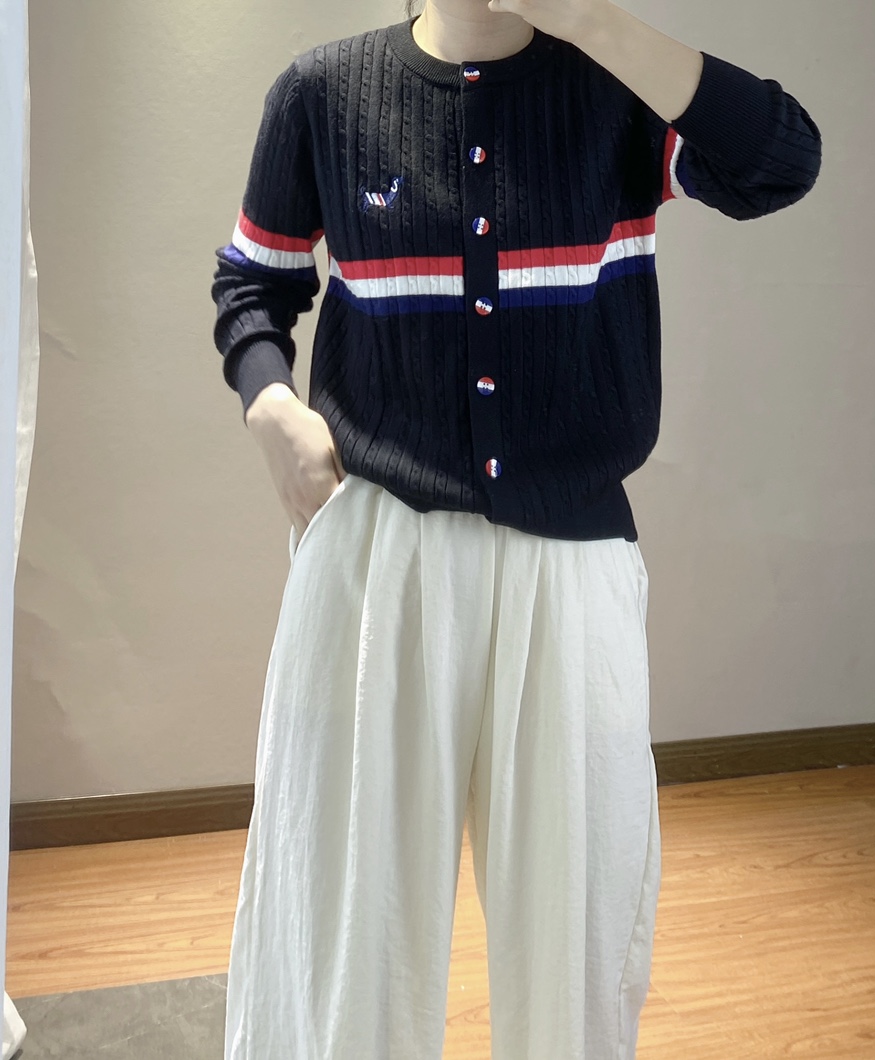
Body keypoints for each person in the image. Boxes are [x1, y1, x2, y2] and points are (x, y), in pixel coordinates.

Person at [210, 1, 821, 1057]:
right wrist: (271, 406)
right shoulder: (323, 95)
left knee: (576, 925)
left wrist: (595, 21)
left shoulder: (621, 90)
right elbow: (252, 281)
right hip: (378, 560)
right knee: (345, 923)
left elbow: (780, 161)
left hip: (571, 564)